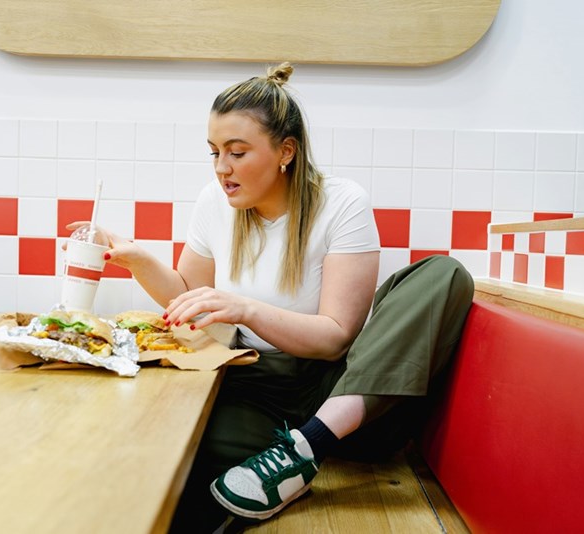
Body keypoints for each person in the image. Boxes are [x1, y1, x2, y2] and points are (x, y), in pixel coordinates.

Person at [71, 62, 473, 532]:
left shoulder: (343, 203)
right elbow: (188, 297)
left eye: (237, 152)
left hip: (341, 395)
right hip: (253, 391)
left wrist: (246, 308)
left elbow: (335, 339)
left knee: (443, 274)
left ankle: (307, 446)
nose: (222, 168)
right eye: (215, 152)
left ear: (286, 151)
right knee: (175, 452)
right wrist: (138, 259)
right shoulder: (213, 203)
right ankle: (284, 462)